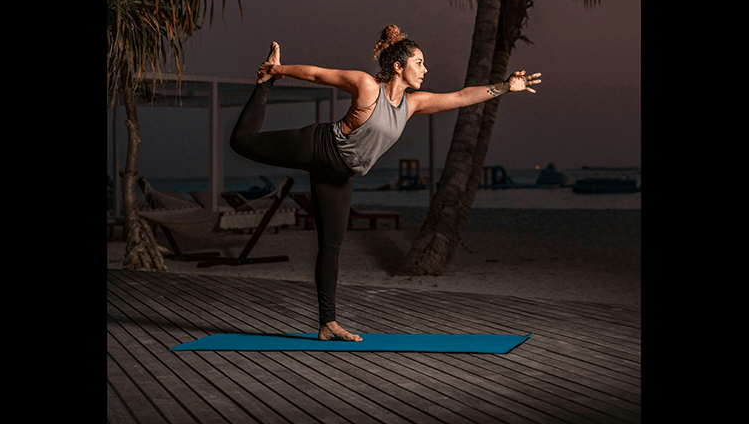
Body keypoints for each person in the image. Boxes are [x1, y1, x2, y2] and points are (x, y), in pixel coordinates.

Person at [228, 24, 542, 341]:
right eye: (419, 62)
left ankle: (328, 323)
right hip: (319, 146)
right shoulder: (367, 86)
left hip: (341, 174)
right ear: (397, 66)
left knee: (331, 246)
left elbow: (460, 97)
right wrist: (276, 70)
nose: (425, 69)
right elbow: (318, 74)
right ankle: (263, 86)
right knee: (241, 142)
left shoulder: (411, 105)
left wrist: (505, 87)